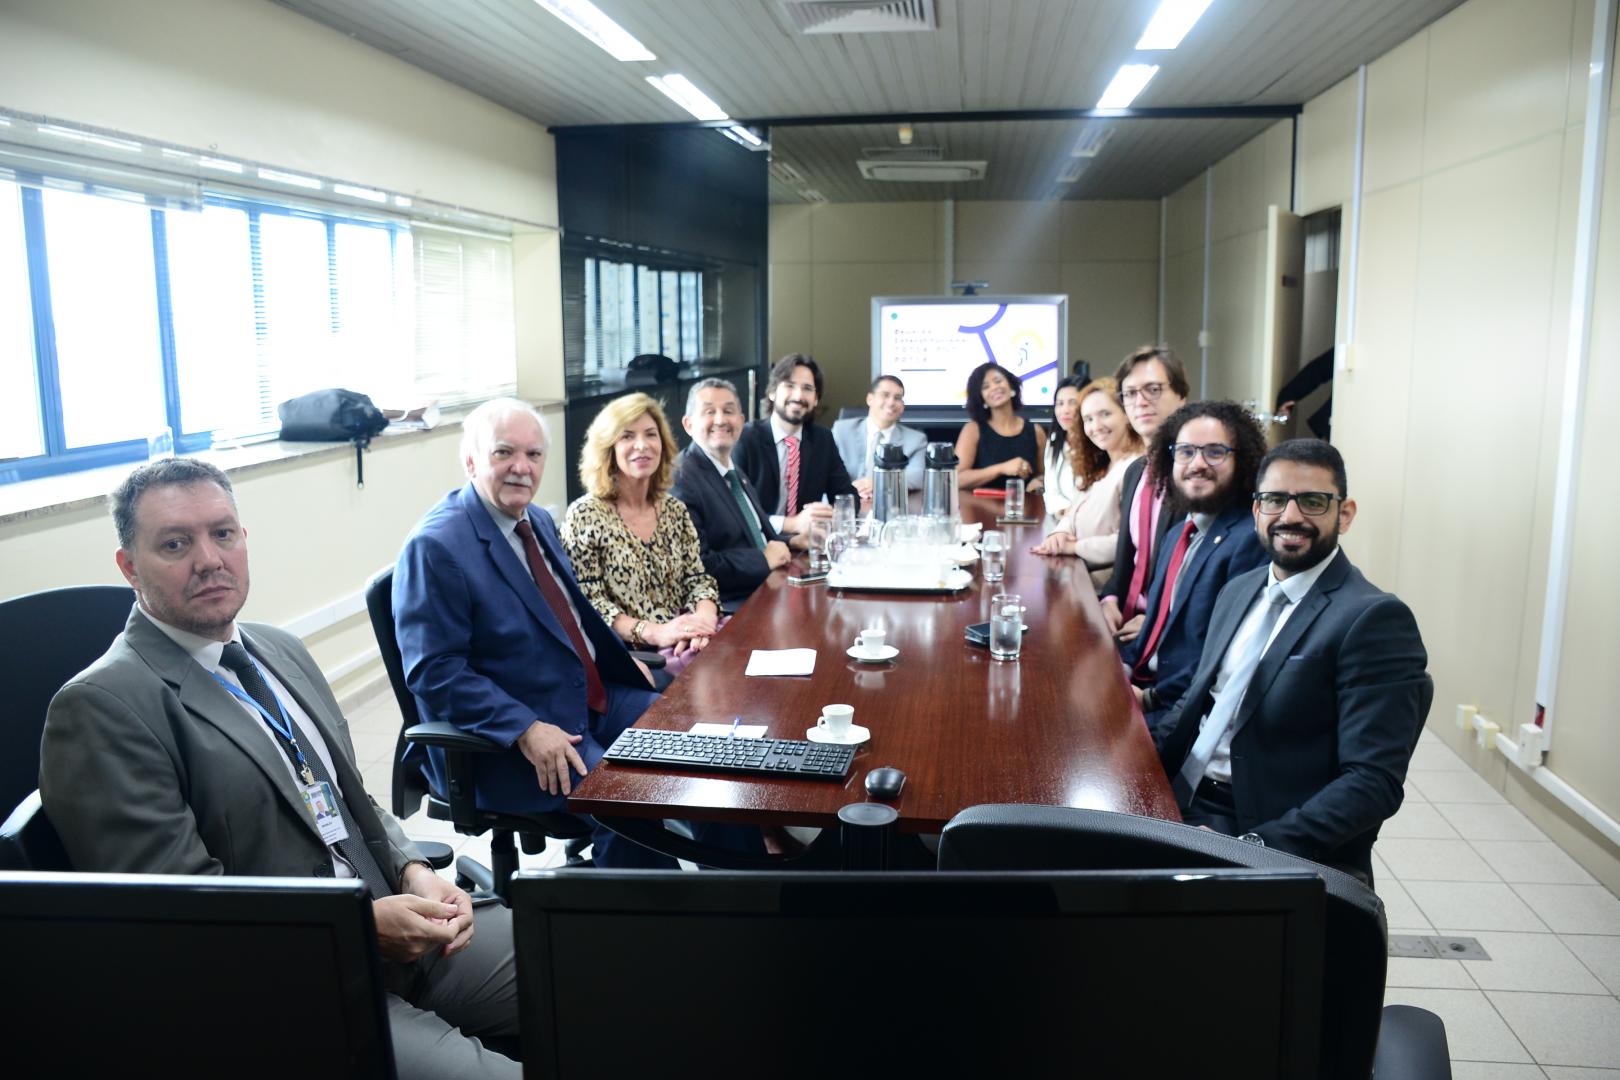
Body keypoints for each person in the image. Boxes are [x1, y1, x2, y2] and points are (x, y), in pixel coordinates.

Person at [39, 458, 521, 1078]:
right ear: (129, 566)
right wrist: (359, 928)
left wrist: (411, 868)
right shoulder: (103, 707)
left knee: (610, 973)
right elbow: (181, 921)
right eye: (175, 543)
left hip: (411, 936)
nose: (209, 559)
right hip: (292, 985)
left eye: (223, 533)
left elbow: (352, 801)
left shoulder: (279, 650)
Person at [393, 398, 758, 868]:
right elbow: (433, 672)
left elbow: (577, 617)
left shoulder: (536, 520)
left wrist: (626, 665)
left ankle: (745, 896)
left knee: (710, 748)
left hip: (587, 699)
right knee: (630, 801)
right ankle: (641, 930)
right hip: (519, 733)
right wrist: (524, 729)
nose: (521, 468)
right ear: (470, 460)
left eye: (534, 455)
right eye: (504, 453)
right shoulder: (437, 546)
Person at [1152, 439, 1428, 882]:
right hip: (1177, 799)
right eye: (1275, 499)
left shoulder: (1373, 619)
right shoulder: (1238, 590)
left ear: (1346, 513)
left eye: (1313, 501)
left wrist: (1252, 848)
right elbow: (1196, 705)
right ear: (1257, 509)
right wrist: (1131, 760)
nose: (1291, 516)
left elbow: (1372, 782)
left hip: (1256, 828)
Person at [1120, 400, 1270, 725]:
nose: (1197, 463)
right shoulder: (1178, 533)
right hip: (1145, 683)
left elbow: (1219, 660)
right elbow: (1157, 630)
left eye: (1214, 452)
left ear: (1241, 461)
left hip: (1178, 710)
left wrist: (1145, 700)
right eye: (1186, 451)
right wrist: (1121, 671)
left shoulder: (1249, 541)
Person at [562, 392, 721, 680]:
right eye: (627, 436)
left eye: (651, 434)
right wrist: (656, 633)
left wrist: (703, 622)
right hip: (637, 655)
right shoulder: (584, 515)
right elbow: (589, 603)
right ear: (608, 448)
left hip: (691, 639)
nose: (642, 445)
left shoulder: (675, 509)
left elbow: (698, 580)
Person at [1096, 345, 1191, 643]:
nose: (1141, 402)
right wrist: (1109, 599)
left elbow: (1208, 577)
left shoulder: (1195, 474)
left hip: (1169, 630)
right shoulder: (1136, 471)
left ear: (1181, 396)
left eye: (1153, 389)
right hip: (1123, 622)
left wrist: (1158, 621)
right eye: (1131, 393)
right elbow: (1126, 562)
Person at [670, 378, 792, 605]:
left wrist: (794, 541)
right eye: (709, 412)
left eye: (729, 411)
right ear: (688, 425)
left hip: (770, 587)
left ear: (741, 421)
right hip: (730, 605)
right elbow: (698, 565)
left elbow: (754, 536)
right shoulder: (682, 479)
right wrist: (763, 559)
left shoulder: (734, 472)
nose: (720, 419)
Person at [1030, 377, 1145, 586]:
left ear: (1127, 414)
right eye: (1088, 419)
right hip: (1078, 579)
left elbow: (1131, 542)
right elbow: (1073, 511)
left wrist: (1075, 547)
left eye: (1105, 414)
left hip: (1106, 591)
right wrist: (1061, 532)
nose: (1096, 426)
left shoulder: (1136, 468)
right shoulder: (1100, 464)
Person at [733, 353, 856, 545]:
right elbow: (736, 512)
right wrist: (792, 524)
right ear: (772, 392)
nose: (798, 396)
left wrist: (828, 515)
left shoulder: (822, 439)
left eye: (807, 389)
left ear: (816, 399)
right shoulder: (746, 438)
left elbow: (848, 498)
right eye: (789, 386)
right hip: (755, 547)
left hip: (806, 547)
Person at [954, 361, 1047, 491]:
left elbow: (1045, 474)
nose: (994, 387)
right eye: (985, 387)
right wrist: (1001, 468)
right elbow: (956, 479)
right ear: (982, 399)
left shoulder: (1036, 431)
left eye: (998, 381)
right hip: (981, 509)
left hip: (1025, 508)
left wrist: (1039, 481)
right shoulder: (973, 430)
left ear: (1012, 388)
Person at [831, 374, 927, 499]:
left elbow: (917, 476)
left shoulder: (916, 440)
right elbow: (828, 470)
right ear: (870, 399)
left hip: (890, 505)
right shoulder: (842, 430)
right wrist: (854, 488)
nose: (891, 402)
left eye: (897, 398)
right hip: (847, 502)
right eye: (885, 395)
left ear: (903, 406)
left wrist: (878, 483)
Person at [1039, 374, 1087, 523]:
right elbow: (1051, 493)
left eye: (1072, 402)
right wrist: (1063, 512)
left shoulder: (1099, 444)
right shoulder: (1054, 441)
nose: (1065, 410)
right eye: (1059, 403)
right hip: (1061, 522)